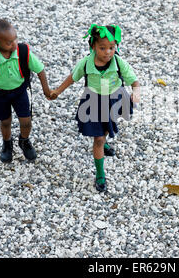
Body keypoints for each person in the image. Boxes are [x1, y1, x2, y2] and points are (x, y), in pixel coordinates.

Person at [51, 24, 140, 192]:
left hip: (114, 99)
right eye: (102, 48)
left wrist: (136, 92)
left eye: (112, 47)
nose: (107, 52)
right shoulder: (86, 63)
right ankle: (100, 174)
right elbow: (72, 78)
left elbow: (134, 80)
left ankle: (104, 141)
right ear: (93, 47)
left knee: (105, 130)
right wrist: (57, 91)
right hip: (93, 102)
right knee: (97, 138)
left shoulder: (119, 63)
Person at [0, 19, 55, 163]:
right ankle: (7, 143)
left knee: (26, 120)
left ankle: (24, 140)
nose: (14, 44)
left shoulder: (23, 52)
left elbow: (40, 70)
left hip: (19, 92)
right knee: (5, 122)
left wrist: (46, 90)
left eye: (15, 38)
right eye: (9, 42)